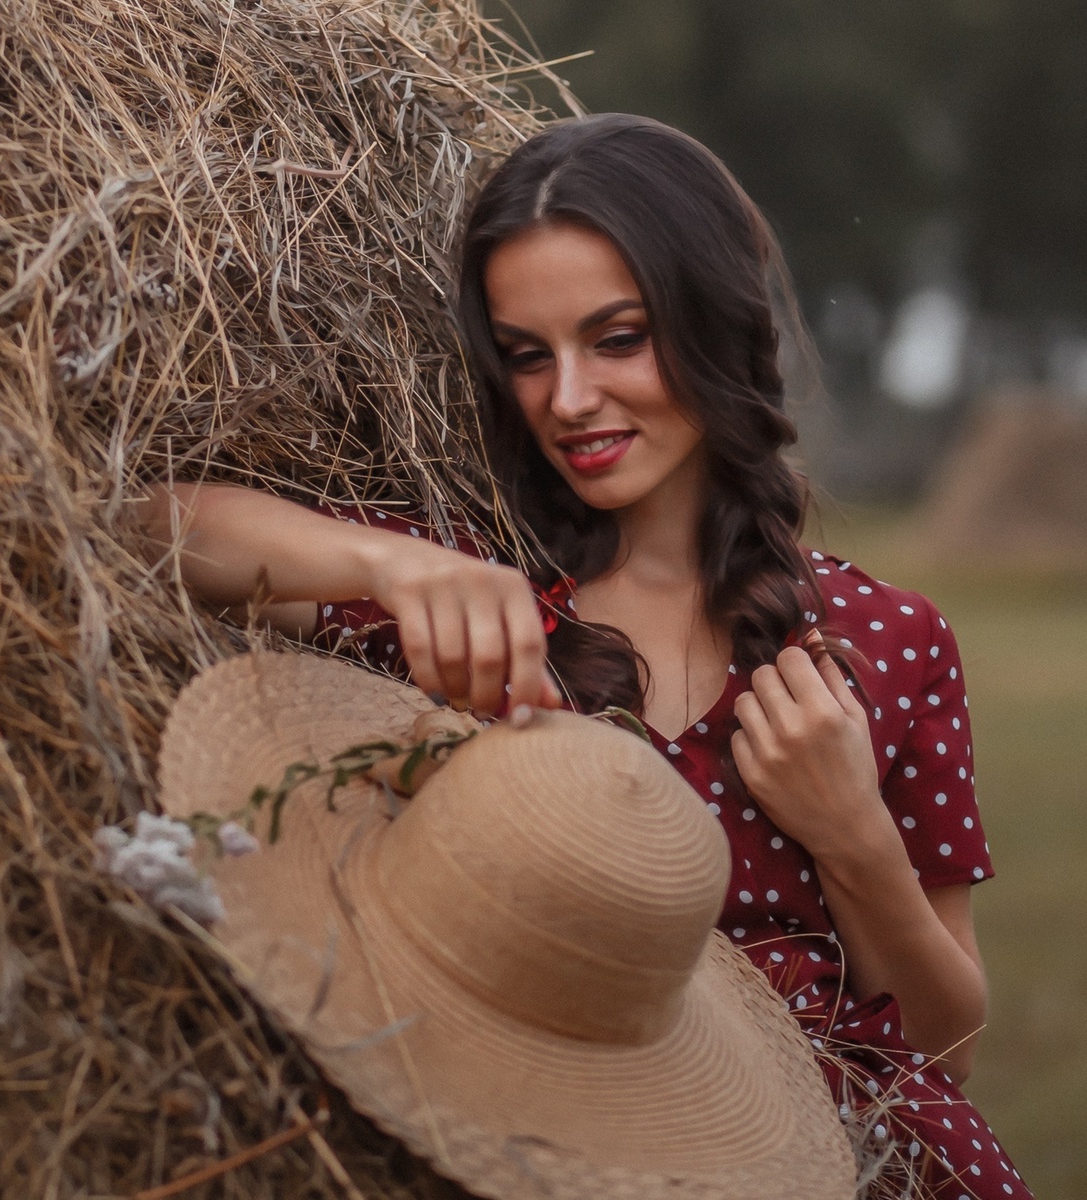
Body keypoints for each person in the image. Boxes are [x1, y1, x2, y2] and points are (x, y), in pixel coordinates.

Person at [142, 113, 1027, 1197]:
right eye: (526, 355)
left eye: (618, 338)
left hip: (852, 1165)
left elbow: (949, 1047)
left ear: (715, 323)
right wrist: (382, 565)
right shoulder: (484, 596)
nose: (567, 400)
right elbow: (153, 527)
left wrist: (854, 836)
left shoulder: (887, 639)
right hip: (547, 1146)